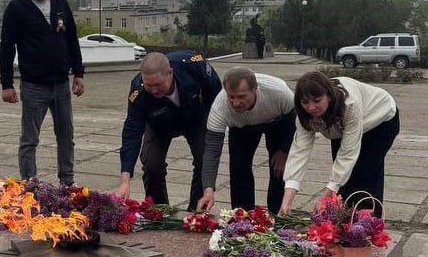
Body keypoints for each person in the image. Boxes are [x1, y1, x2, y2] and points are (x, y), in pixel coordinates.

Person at [0, 0, 85, 186]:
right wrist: (6, 83)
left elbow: (72, 40)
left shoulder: (60, 4)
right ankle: (30, 185)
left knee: (66, 136)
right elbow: (7, 46)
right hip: (33, 85)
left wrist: (78, 72)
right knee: (30, 139)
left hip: (61, 84)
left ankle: (67, 182)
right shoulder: (17, 9)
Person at [278, 72, 400, 216]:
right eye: (305, 102)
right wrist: (287, 201)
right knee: (342, 182)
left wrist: (325, 197)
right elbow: (299, 152)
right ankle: (344, 221)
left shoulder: (350, 103)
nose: (311, 108)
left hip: (379, 119)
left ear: (329, 96)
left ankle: (368, 223)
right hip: (341, 127)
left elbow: (348, 153)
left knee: (363, 176)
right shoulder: (304, 116)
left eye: (316, 101)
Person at [114, 51, 222, 210]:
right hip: (159, 124)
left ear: (170, 73)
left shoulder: (193, 65)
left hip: (196, 118)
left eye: (158, 84)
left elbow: (216, 92)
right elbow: (132, 132)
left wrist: (212, 121)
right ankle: (160, 211)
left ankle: (197, 211)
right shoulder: (138, 90)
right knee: (152, 165)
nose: (154, 90)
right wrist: (125, 181)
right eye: (149, 85)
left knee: (204, 159)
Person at [195, 68, 295, 214]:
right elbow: (211, 151)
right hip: (241, 127)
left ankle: (278, 214)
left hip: (278, 121)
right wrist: (208, 190)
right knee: (239, 170)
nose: (235, 103)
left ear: (255, 89)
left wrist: (285, 150)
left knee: (279, 169)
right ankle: (242, 217)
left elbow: (296, 121)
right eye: (231, 97)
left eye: (241, 97)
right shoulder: (220, 107)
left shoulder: (279, 93)